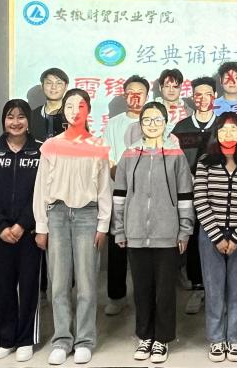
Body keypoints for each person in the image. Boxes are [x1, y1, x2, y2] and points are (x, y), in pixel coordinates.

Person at [33, 89, 112, 365]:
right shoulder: (50, 145)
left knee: (87, 284)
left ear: (88, 110)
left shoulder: (98, 145)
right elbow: (41, 187)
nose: (75, 111)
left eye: (81, 106)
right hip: (56, 215)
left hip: (88, 215)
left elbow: (104, 188)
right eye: (69, 105)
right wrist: (41, 226)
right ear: (62, 110)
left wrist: (103, 224)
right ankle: (62, 339)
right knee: (58, 283)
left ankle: (85, 340)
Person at [113, 102, 195, 364]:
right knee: (142, 289)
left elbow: (185, 196)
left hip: (167, 234)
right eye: (147, 120)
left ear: (166, 123)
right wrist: (119, 229)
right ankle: (145, 336)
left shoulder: (176, 155)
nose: (152, 124)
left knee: (165, 291)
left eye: (157, 119)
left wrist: (184, 230)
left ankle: (162, 339)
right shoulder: (129, 155)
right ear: (140, 124)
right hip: (135, 233)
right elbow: (119, 195)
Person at [0, 100, 43, 362]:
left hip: (29, 232)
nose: (15, 122)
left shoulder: (40, 150)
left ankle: (26, 339)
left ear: (29, 121)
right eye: (10, 116)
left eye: (21, 117)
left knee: (28, 284)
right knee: (3, 285)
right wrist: (1, 225)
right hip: (0, 233)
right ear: (3, 120)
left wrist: (23, 223)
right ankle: (5, 339)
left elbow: (42, 192)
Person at [193, 112, 237, 362]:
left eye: (234, 129)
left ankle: (234, 339)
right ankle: (216, 340)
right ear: (216, 133)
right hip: (211, 235)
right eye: (223, 129)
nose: (228, 134)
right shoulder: (205, 162)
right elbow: (200, 200)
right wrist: (217, 236)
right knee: (214, 290)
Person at [102, 75, 149, 315]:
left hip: (148, 194)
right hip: (119, 193)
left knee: (145, 248)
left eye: (140, 92)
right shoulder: (114, 124)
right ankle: (117, 296)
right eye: (130, 91)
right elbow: (108, 157)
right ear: (124, 95)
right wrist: (122, 179)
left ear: (147, 96)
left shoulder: (153, 121)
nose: (135, 96)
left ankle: (145, 296)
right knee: (117, 246)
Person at [172, 77, 218, 315]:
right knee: (193, 237)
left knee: (215, 237)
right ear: (192, 97)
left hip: (218, 194)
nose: (203, 99)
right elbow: (173, 160)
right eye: (198, 94)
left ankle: (217, 289)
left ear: (215, 97)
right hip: (188, 193)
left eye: (208, 94)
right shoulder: (180, 128)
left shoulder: (225, 125)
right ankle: (198, 288)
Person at [31, 68, 69, 141]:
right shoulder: (32, 116)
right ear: (42, 86)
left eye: (59, 83)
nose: (54, 87)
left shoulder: (73, 115)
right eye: (49, 83)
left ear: (66, 86)